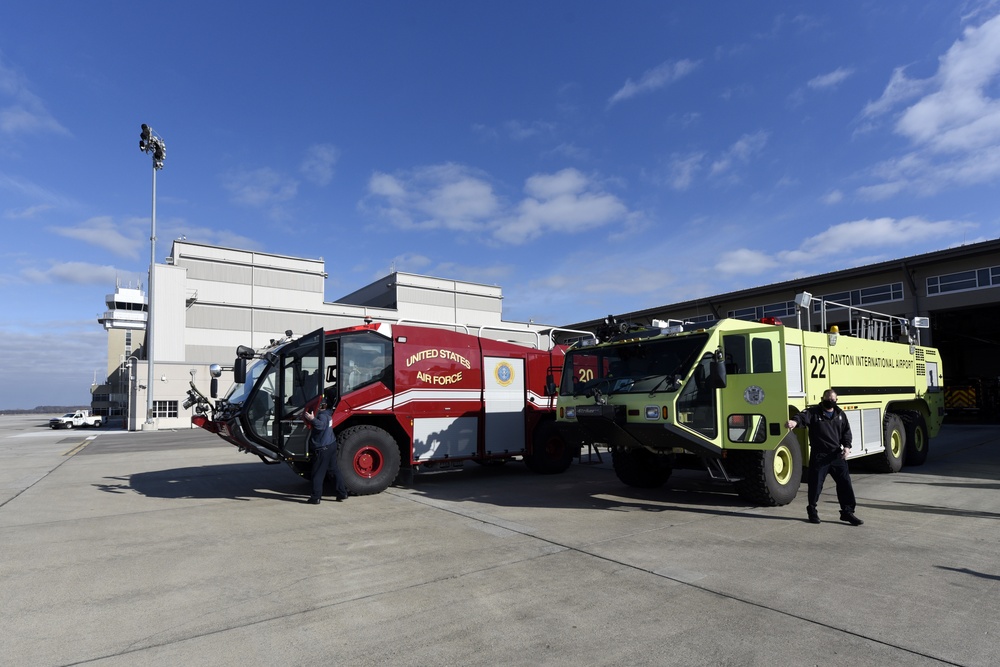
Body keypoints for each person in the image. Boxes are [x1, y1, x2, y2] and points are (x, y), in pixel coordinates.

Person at [786, 389, 863, 526]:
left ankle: (847, 512)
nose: (831, 401)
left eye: (834, 400)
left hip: (836, 454)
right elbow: (802, 417)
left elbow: (846, 432)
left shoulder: (840, 414)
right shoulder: (813, 412)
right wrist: (794, 422)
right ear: (823, 398)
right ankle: (812, 510)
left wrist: (847, 447)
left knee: (845, 483)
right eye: (828, 399)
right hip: (819, 455)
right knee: (816, 485)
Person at [302, 398, 348, 504]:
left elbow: (320, 426)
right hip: (331, 444)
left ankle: (315, 497)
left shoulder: (322, 416)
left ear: (323, 406)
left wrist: (312, 419)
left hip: (322, 448)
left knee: (317, 473)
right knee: (333, 470)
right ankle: (342, 493)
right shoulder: (329, 413)